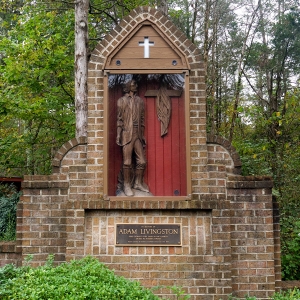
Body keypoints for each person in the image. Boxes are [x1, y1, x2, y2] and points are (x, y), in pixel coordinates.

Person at [116, 79, 150, 196]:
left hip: (137, 134)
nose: (136, 85)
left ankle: (137, 183)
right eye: (133, 84)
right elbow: (119, 120)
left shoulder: (140, 101)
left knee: (142, 161)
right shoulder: (121, 101)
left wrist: (142, 135)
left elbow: (142, 120)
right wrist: (118, 134)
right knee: (127, 162)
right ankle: (126, 185)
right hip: (126, 134)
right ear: (128, 86)